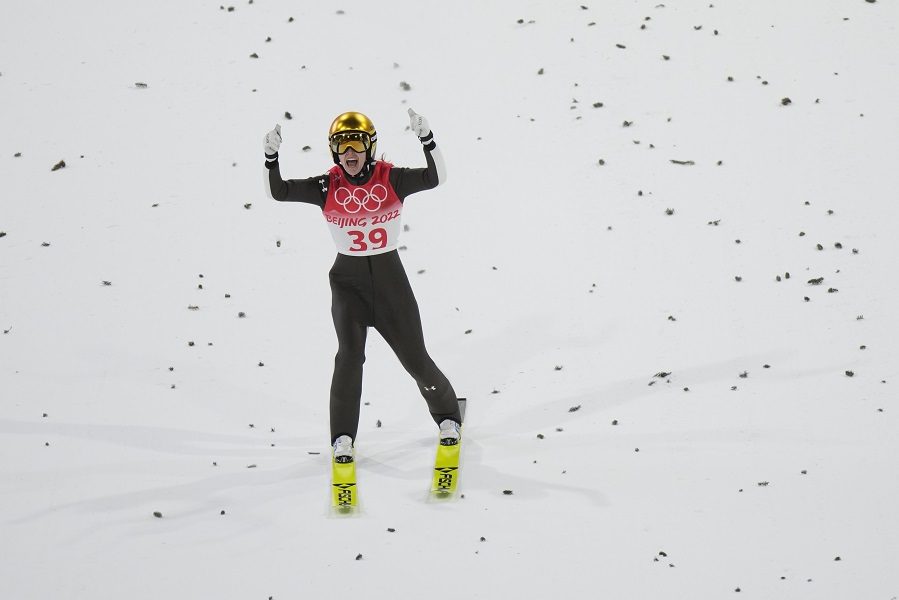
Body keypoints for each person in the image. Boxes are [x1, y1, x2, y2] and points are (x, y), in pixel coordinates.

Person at [263, 109, 463, 464]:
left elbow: (435, 178)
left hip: (390, 285)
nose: (349, 153)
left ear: (369, 147)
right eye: (341, 147)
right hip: (348, 286)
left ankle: (448, 416)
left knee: (415, 359)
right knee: (349, 359)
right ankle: (342, 438)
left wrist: (427, 138)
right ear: (334, 153)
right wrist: (271, 156)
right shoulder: (327, 186)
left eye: (355, 144)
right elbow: (279, 191)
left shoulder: (392, 179)